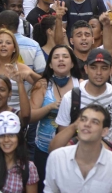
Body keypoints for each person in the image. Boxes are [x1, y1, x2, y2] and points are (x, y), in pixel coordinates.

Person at [51, 48, 112, 157]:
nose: (98, 73)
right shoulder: (70, 98)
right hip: (78, 161)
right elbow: (59, 143)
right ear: (86, 69)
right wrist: (77, 125)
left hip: (108, 161)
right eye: (93, 68)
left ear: (111, 70)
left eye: (104, 68)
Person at [44, 104, 112, 192]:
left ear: (104, 131)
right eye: (83, 119)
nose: (87, 124)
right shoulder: (57, 158)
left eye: (95, 122)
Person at [29, 44, 81, 185]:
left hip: (75, 150)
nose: (61, 60)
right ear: (50, 64)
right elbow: (30, 116)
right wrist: (49, 107)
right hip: (44, 150)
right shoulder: (42, 84)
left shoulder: (81, 85)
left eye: (65, 56)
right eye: (56, 57)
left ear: (72, 63)